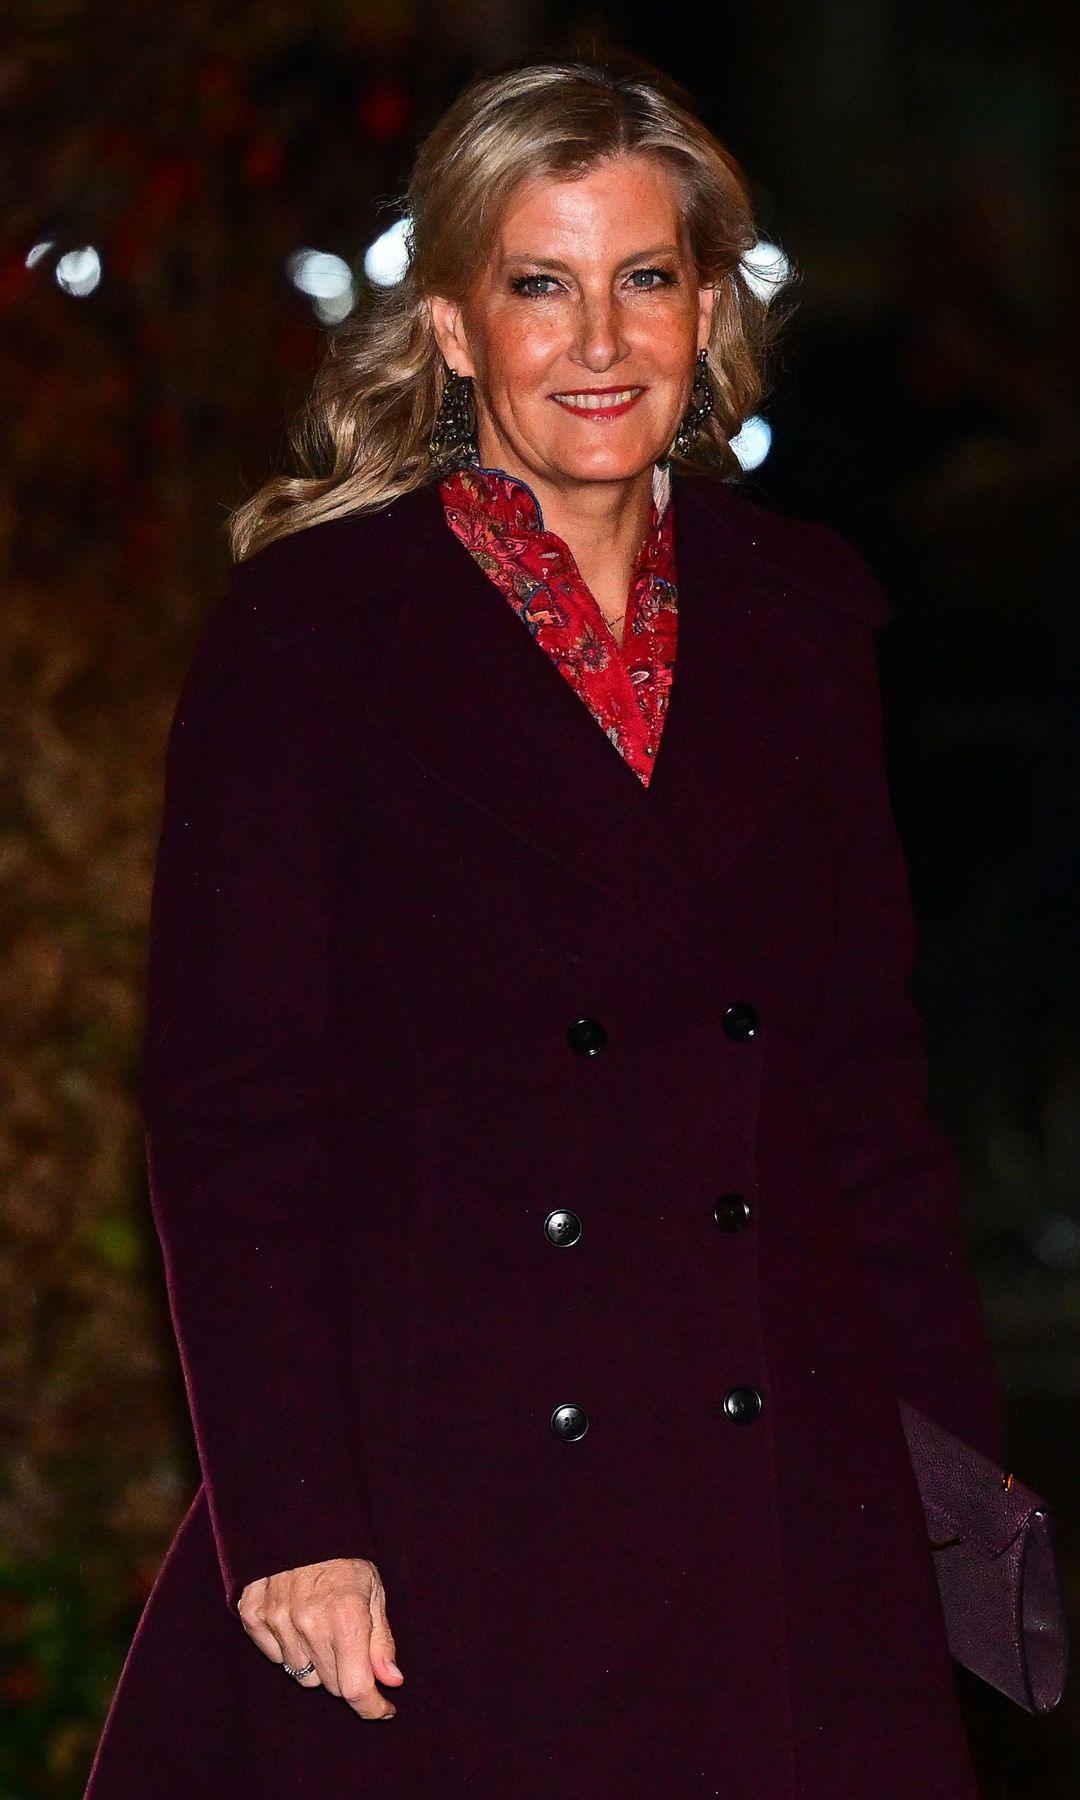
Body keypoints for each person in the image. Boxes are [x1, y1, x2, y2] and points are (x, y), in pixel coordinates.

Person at [83, 51, 1007, 1800]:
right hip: (454, 1476)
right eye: (538, 284)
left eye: (643, 278)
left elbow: (868, 1103)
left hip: (781, 1468)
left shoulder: (807, 616)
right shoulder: (312, 637)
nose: (598, 341)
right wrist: (295, 1521)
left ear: (710, 309)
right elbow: (233, 1114)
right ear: (448, 326)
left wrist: (952, 1502)